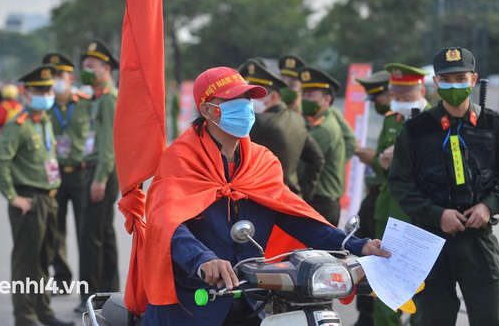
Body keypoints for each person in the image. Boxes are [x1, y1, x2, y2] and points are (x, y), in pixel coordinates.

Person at [142, 66, 391, 326]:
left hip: (251, 300)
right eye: (232, 101)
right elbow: (166, 223)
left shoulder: (262, 162)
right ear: (206, 110)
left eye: (247, 100)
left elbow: (294, 216)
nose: (245, 108)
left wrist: (355, 244)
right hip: (192, 303)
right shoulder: (180, 159)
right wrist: (203, 259)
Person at [388, 47, 499, 326]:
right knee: (433, 318)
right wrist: (436, 214)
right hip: (431, 241)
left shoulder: (494, 125)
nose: (454, 85)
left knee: (489, 317)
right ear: (436, 82)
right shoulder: (416, 129)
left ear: (474, 80)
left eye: (461, 77)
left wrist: (489, 206)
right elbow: (400, 182)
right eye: (447, 79)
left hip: (479, 241)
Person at [0, 65, 73, 326]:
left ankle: (43, 312)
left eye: (49, 89)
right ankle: (24, 316)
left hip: (48, 200)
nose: (47, 94)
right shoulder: (19, 124)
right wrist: (12, 196)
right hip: (29, 200)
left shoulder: (45, 121)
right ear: (26, 93)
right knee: (26, 262)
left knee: (45, 259)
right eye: (40, 90)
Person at [371, 63, 430, 326]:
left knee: (424, 287)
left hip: (422, 215)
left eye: (406, 98)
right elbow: (376, 161)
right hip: (390, 212)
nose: (400, 103)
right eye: (396, 97)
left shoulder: (435, 121)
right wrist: (383, 162)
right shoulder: (391, 120)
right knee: (385, 286)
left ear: (421, 91)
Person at [42, 52, 93, 291]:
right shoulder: (44, 105)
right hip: (53, 174)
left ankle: (86, 285)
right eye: (51, 75)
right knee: (54, 229)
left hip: (81, 173)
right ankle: (61, 279)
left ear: (70, 76)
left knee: (85, 232)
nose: (56, 79)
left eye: (60, 74)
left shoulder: (86, 103)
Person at [76, 39, 120, 312]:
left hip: (101, 171)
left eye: (91, 66)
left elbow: (108, 142)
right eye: (84, 66)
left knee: (91, 236)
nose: (86, 70)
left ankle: (91, 296)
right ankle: (107, 295)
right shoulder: (97, 98)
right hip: (97, 169)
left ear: (106, 69)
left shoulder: (107, 99)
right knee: (101, 234)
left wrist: (101, 177)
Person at [239, 59, 325, 198]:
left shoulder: (259, 123)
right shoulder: (298, 120)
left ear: (273, 96)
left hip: (264, 199)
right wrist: (303, 192)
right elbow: (317, 159)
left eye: (255, 96)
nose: (250, 100)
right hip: (290, 198)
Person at [351, 69, 391, 326]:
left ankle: (376, 318)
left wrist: (373, 160)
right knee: (367, 262)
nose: (376, 103)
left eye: (378, 98)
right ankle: (366, 316)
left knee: (383, 263)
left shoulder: (404, 118)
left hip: (387, 202)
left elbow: (395, 166)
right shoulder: (391, 119)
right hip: (375, 201)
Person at [279, 54, 356, 161]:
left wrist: (330, 162)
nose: (286, 89)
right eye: (283, 83)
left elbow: (350, 142)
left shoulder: (317, 109)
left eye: (292, 85)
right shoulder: (278, 110)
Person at [298, 66, 346, 226]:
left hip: (321, 204)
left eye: (310, 95)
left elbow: (299, 161)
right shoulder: (318, 123)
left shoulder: (324, 129)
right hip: (320, 202)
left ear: (327, 99)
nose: (305, 99)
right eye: (303, 94)